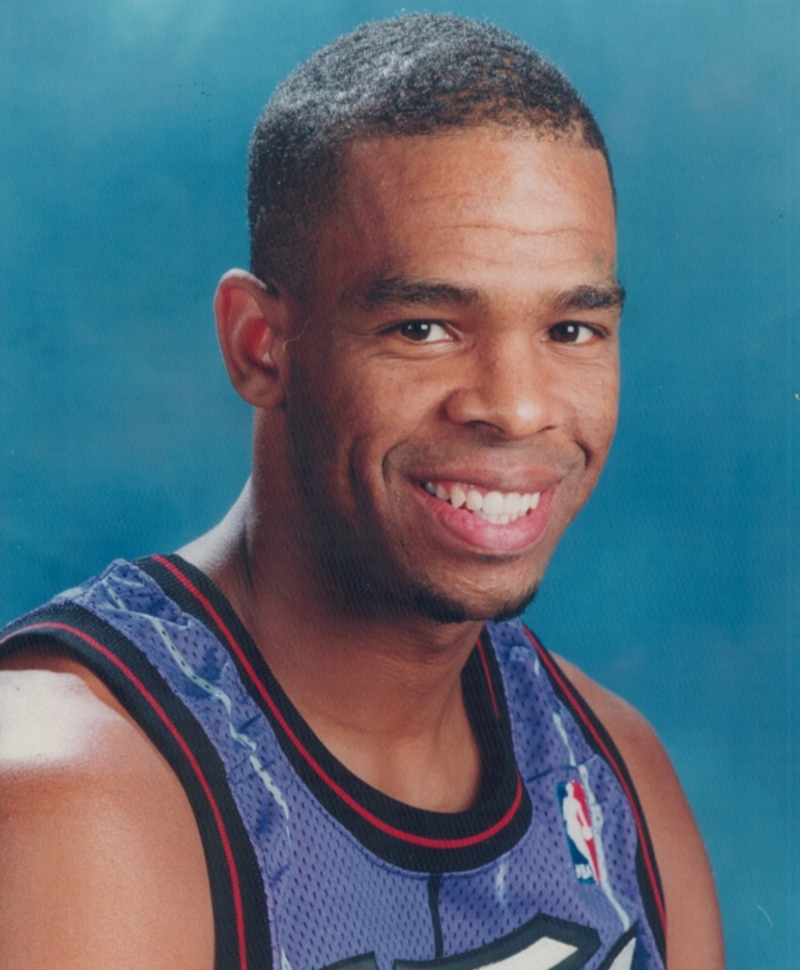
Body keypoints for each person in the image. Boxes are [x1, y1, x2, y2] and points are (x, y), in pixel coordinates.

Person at [0, 14, 723, 970]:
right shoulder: (71, 798)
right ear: (260, 343)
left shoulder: (616, 778)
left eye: (572, 330)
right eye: (424, 327)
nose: (514, 408)